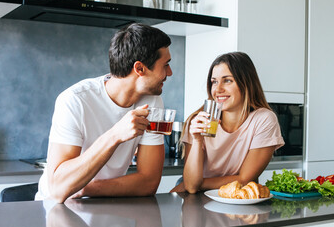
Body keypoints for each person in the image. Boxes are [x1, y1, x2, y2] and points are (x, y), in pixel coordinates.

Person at [35, 23, 172, 203]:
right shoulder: (74, 100)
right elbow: (59, 190)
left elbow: (149, 182)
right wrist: (115, 135)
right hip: (57, 209)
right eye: (166, 65)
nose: (169, 73)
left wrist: (86, 188)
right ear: (139, 69)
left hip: (105, 202)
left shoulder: (152, 102)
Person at [171, 52, 284, 194]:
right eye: (214, 82)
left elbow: (245, 179)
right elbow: (191, 186)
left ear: (246, 83)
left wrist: (197, 183)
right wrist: (198, 140)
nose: (218, 90)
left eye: (227, 80)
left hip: (235, 196)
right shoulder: (198, 121)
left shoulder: (263, 119)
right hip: (197, 197)